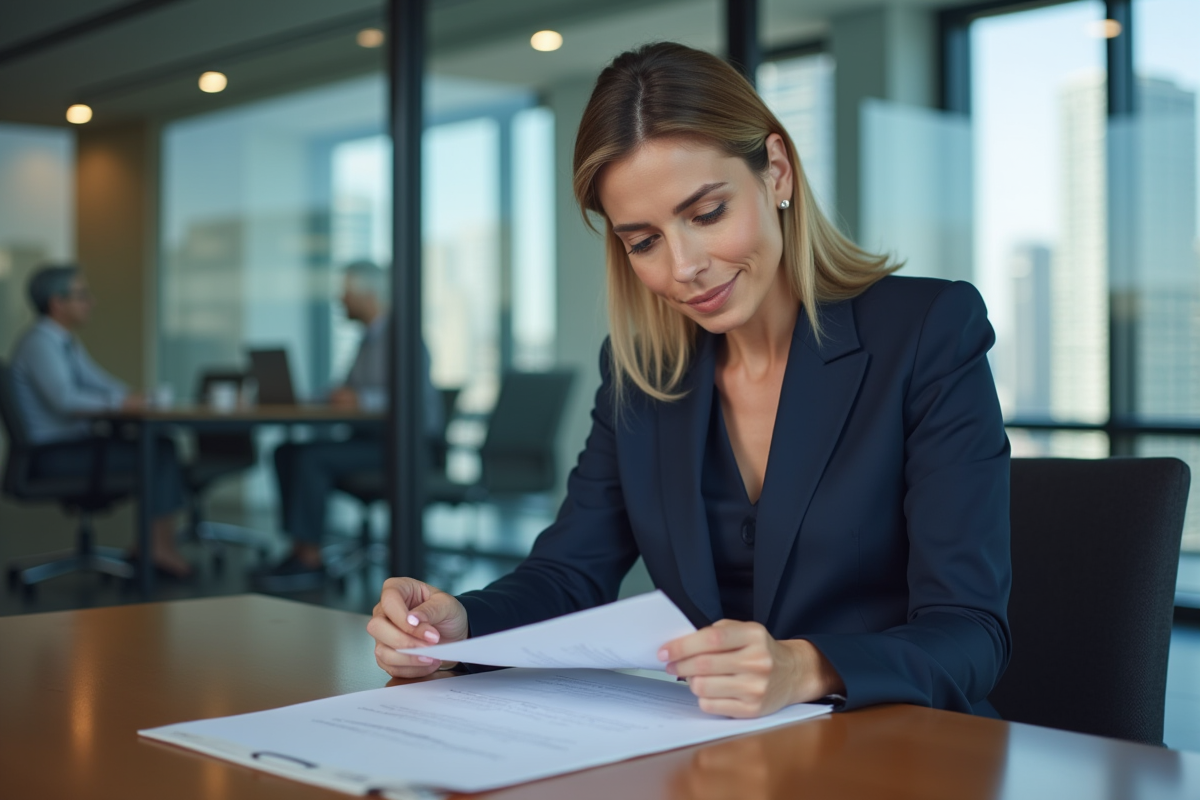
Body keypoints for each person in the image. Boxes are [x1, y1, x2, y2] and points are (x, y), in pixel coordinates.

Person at [367, 43, 1011, 718]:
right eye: (643, 240)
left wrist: (805, 667)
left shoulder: (928, 331)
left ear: (778, 172)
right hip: (719, 754)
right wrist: (459, 626)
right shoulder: (642, 376)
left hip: (903, 753)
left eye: (706, 214)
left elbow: (971, 633)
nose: (684, 266)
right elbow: (569, 574)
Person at [260, 260, 440, 591]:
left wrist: (363, 401)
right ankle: (299, 549)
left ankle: (311, 559)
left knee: (310, 458)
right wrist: (306, 398)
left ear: (367, 295)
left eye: (345, 292)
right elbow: (342, 392)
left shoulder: (403, 338)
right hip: (367, 442)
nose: (339, 300)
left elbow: (416, 405)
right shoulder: (367, 340)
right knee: (285, 451)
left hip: (400, 450)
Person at [9, 264, 192, 578]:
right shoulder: (40, 343)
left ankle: (152, 545)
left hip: (74, 449)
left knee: (161, 446)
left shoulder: (65, 343)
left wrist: (138, 397)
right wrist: (122, 402)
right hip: (54, 456)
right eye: (82, 295)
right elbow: (65, 401)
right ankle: (157, 547)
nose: (90, 302)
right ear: (57, 302)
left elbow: (101, 383)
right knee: (160, 452)